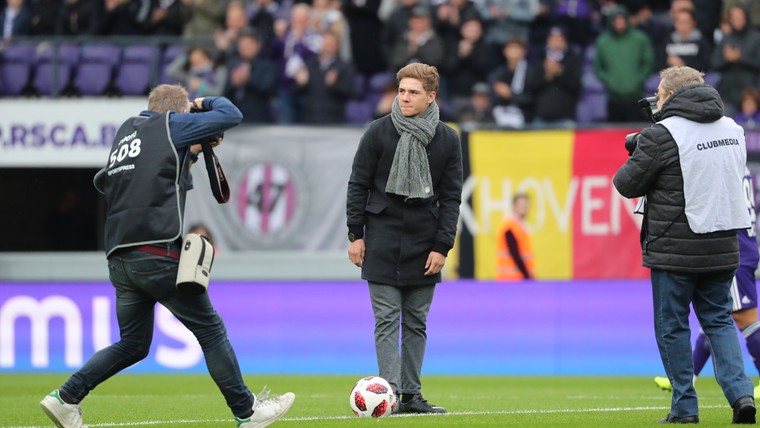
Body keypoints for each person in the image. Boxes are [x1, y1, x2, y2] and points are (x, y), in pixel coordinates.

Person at [39, 85, 295, 428]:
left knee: (133, 343)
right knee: (211, 331)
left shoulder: (127, 132)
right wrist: (202, 103)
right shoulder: (173, 124)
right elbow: (232, 114)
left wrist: (188, 153)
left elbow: (104, 180)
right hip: (157, 251)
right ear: (181, 113)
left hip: (120, 258)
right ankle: (247, 412)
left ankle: (66, 398)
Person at [613, 65, 756, 424]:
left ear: (672, 96)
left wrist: (640, 145)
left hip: (674, 247)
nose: (656, 100)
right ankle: (741, 395)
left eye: (660, 94)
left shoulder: (662, 134)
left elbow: (626, 184)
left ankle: (684, 409)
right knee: (720, 321)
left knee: (673, 326)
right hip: (723, 245)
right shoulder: (733, 129)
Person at [346, 63, 462, 414]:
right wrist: (355, 234)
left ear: (431, 96)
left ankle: (412, 395)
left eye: (413, 92)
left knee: (416, 322)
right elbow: (358, 185)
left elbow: (452, 197)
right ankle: (390, 394)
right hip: (380, 240)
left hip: (424, 244)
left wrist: (443, 246)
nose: (405, 98)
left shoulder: (447, 139)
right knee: (386, 319)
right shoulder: (378, 132)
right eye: (401, 91)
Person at [654, 166, 760, 399]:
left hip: (736, 250)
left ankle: (688, 380)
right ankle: (686, 378)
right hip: (743, 248)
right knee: (714, 317)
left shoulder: (724, 165)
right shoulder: (738, 162)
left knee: (744, 317)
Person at [592, 5, 654, 123]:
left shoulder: (640, 39)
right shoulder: (603, 42)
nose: (620, 22)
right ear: (611, 21)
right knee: (613, 135)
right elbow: (598, 67)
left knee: (636, 135)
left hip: (636, 96)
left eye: (622, 19)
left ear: (627, 20)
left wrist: (637, 79)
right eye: (617, 19)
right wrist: (609, 80)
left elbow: (648, 62)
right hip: (613, 97)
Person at [710, 4, 760, 117]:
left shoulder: (756, 38)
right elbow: (714, 64)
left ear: (746, 17)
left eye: (740, 17)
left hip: (750, 94)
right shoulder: (725, 39)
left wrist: (740, 58)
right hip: (728, 94)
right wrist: (726, 59)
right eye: (734, 18)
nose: (737, 21)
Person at [495, 193, 534, 280]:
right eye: (522, 205)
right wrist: (527, 276)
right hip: (511, 280)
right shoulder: (509, 226)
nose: (525, 208)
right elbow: (515, 254)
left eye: (526, 206)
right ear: (513, 206)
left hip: (517, 279)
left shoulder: (519, 225)